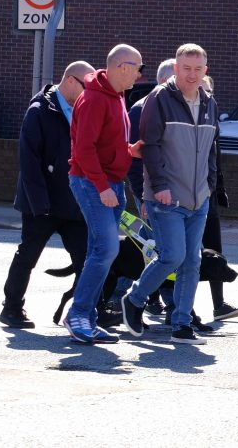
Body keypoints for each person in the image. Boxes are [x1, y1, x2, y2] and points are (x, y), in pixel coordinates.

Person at [118, 43, 220, 345]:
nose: (192, 74)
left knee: (192, 261)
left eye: (197, 69)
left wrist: (210, 183)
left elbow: (212, 148)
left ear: (205, 71)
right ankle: (134, 299)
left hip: (198, 196)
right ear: (176, 69)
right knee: (172, 256)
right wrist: (159, 186)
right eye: (186, 68)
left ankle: (181, 323)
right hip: (165, 197)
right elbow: (149, 145)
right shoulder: (159, 99)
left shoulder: (209, 102)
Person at [0, 61, 95, 329]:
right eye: (87, 87)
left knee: (87, 258)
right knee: (28, 255)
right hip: (43, 203)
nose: (90, 93)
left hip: (74, 201)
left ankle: (85, 311)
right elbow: (29, 163)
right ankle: (12, 308)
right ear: (71, 81)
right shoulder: (39, 111)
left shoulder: (84, 110)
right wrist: (40, 204)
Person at [65, 44, 144, 344]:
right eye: (138, 67)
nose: (139, 74)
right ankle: (78, 315)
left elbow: (103, 143)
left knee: (100, 252)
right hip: (91, 183)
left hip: (110, 183)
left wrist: (129, 151)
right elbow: (83, 150)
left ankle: (86, 317)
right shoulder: (95, 99)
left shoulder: (116, 96)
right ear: (121, 66)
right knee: (106, 250)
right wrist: (101, 188)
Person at [125, 58, 173, 316]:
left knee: (159, 246)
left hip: (169, 191)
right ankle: (135, 296)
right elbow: (134, 160)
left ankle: (155, 298)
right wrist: (142, 197)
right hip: (149, 190)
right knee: (156, 246)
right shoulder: (141, 110)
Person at [197, 74, 238, 322]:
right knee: (179, 252)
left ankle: (219, 305)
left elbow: (216, 161)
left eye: (208, 91)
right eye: (200, 90)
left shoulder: (213, 119)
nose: (204, 95)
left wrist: (219, 189)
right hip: (187, 196)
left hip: (209, 195)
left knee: (213, 250)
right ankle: (165, 304)